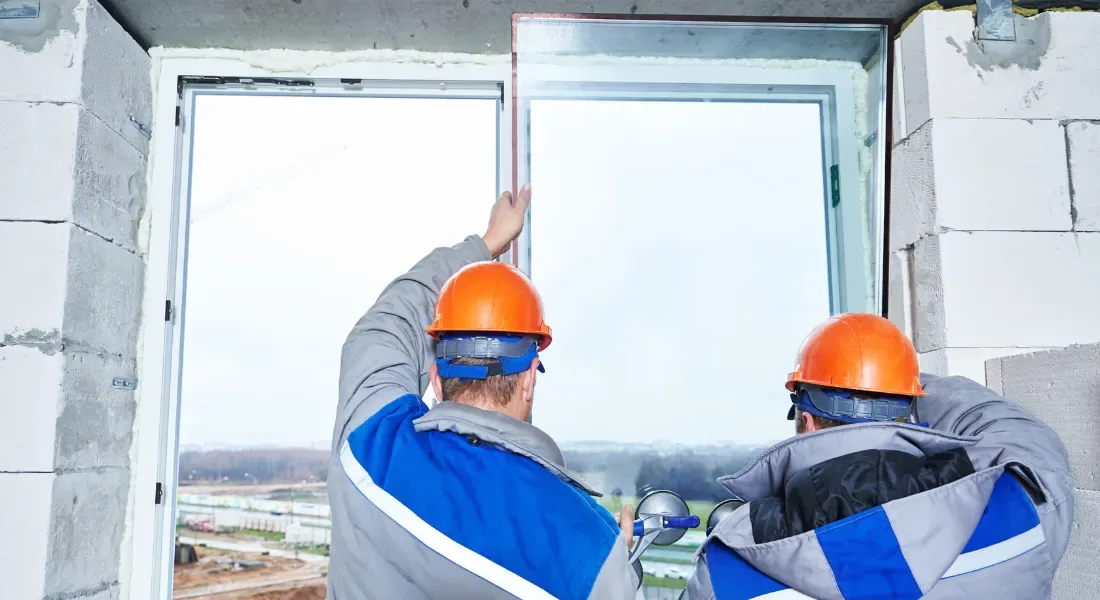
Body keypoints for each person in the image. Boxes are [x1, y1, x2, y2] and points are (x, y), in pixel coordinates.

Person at [327, 186, 639, 600]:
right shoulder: (587, 548)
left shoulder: (368, 446)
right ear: (529, 378)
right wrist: (616, 568)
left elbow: (386, 323)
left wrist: (488, 241)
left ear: (436, 378)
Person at [685, 313, 1074, 600]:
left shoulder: (728, 566)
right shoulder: (1019, 502)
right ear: (907, 406)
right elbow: (1016, 429)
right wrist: (890, 378)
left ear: (808, 422)